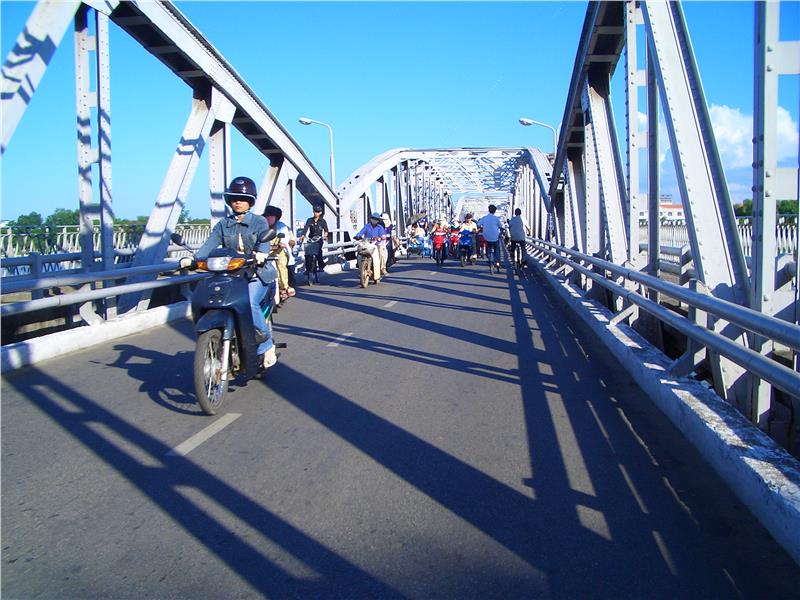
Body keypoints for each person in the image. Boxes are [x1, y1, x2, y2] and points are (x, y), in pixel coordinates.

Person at [181, 176, 276, 368]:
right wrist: (193, 260)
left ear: (250, 201)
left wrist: (261, 254)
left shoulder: (259, 222)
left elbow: (264, 244)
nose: (238, 202)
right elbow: (209, 245)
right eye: (234, 198)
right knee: (208, 297)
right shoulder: (223, 224)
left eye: (242, 198)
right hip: (231, 274)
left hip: (256, 272)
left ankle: (266, 344)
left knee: (249, 301)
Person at [264, 205, 295, 302]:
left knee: (281, 266)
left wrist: (281, 244)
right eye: (267, 216)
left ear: (276, 218)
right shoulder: (262, 225)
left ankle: (284, 288)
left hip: (279, 251)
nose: (269, 218)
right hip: (264, 252)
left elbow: (284, 241)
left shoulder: (281, 226)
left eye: (271, 216)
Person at [298, 204, 329, 280]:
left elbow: (326, 230)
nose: (316, 213)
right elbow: (305, 228)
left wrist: (325, 236)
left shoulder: (322, 221)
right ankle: (308, 269)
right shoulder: (310, 220)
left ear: (320, 213)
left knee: (318, 252)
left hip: (319, 239)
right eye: (315, 211)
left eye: (318, 212)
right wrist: (302, 235)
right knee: (308, 254)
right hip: (311, 239)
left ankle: (321, 266)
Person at [354, 212, 386, 283]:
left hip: (376, 245)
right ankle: (360, 269)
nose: (374, 220)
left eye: (376, 219)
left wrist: (379, 238)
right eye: (373, 218)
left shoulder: (380, 228)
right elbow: (361, 232)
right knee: (360, 252)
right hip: (367, 243)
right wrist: (358, 236)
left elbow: (383, 236)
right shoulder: (367, 226)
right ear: (371, 219)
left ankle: (380, 270)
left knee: (380, 253)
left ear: (378, 220)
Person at [478, 204, 503, 270]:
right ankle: (497, 262)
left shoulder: (484, 218)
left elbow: (478, 224)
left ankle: (489, 258)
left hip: (486, 237)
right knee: (497, 249)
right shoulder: (496, 219)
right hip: (495, 237)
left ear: (488, 210)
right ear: (494, 211)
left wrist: (482, 227)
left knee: (488, 247)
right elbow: (501, 226)